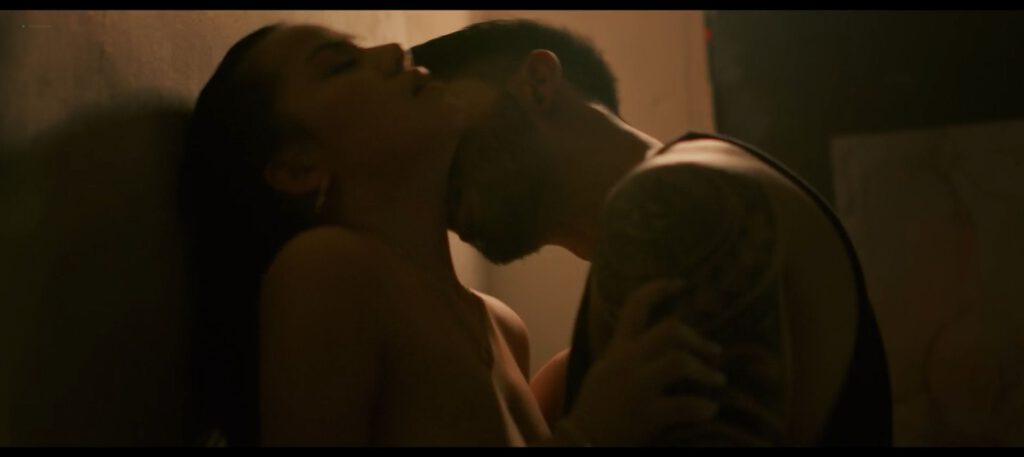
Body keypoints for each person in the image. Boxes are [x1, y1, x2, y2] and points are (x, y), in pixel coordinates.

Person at [177, 23, 730, 447]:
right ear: (298, 167)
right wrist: (594, 432)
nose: (392, 53)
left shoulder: (503, 327)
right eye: (340, 65)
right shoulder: (326, 270)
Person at [412, 19, 892, 445]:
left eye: (441, 113)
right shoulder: (591, 362)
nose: (427, 163)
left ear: (537, 84)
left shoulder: (675, 194)